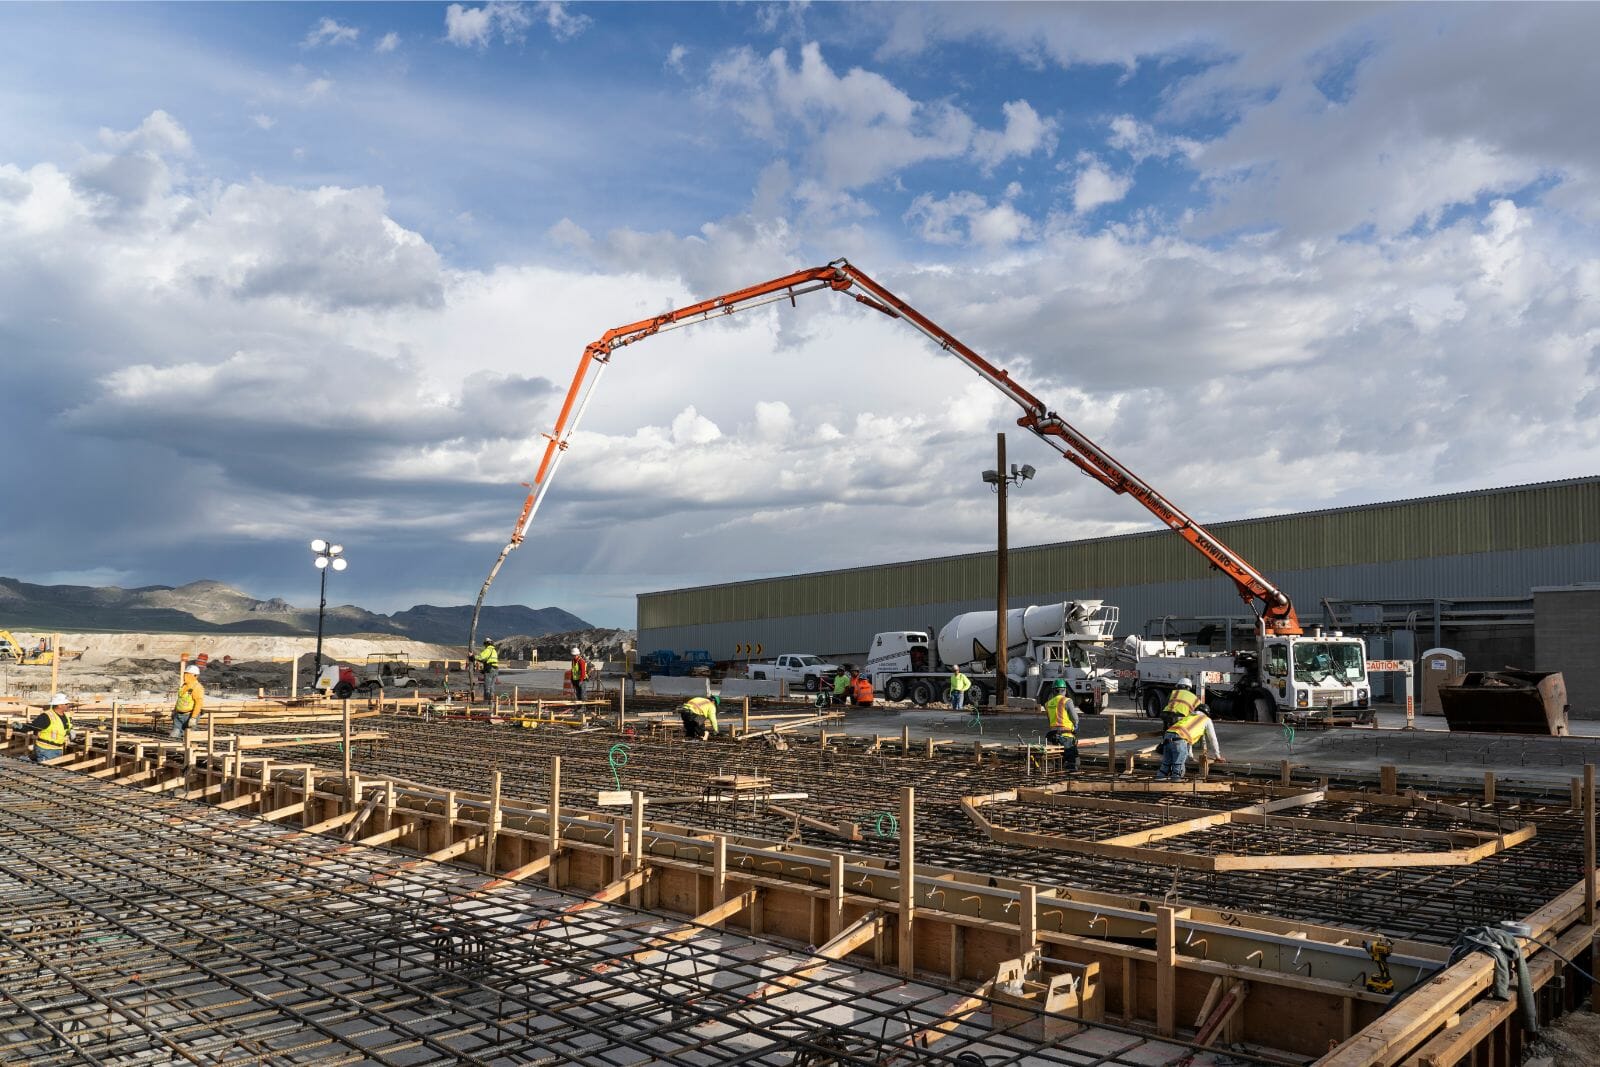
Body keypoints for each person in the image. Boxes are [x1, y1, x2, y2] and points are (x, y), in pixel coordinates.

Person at [1156, 678, 1226, 782]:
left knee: (1166, 764)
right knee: (1178, 766)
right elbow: (1212, 738)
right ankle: (1174, 786)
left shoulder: (1188, 715)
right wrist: (1217, 756)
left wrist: (1190, 755)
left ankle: (1158, 781)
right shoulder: (1205, 719)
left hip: (1168, 733)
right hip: (1180, 737)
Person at [1042, 679, 1080, 772]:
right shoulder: (1067, 701)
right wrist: (1075, 726)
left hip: (1054, 736)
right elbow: (1075, 718)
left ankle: (1057, 778)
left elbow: (1050, 720)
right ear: (1064, 690)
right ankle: (1070, 781)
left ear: (1053, 691)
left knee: (1058, 761)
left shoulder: (1047, 704)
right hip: (1066, 737)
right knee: (1072, 762)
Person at [27, 693, 74, 762]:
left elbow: (66, 727)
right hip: (45, 749)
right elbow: (33, 726)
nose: (68, 705)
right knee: (45, 771)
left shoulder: (65, 716)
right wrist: (20, 727)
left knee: (53, 770)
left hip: (58, 748)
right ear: (59, 705)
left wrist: (70, 730)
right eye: (66, 704)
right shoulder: (46, 716)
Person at [173, 663, 204, 741]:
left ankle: (188, 752)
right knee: (174, 735)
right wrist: (174, 711)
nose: (185, 676)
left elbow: (198, 703)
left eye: (187, 674)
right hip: (178, 715)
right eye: (185, 674)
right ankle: (176, 751)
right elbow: (180, 699)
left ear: (194, 675)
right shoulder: (184, 686)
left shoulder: (197, 687)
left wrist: (193, 717)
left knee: (188, 737)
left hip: (189, 715)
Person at [475, 637, 499, 705]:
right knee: (492, 686)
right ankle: (491, 701)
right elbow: (489, 660)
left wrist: (473, 657)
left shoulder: (488, 650)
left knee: (487, 686)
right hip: (495, 669)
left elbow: (481, 657)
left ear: (486, 644)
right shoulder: (494, 651)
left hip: (490, 670)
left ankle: (486, 701)